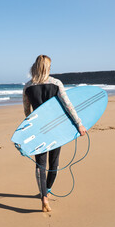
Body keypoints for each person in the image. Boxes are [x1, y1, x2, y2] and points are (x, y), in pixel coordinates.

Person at [23, 55, 87, 212]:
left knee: (40, 164)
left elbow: (27, 112)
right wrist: (79, 124)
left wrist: (29, 129)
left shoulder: (27, 87)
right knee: (54, 162)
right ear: (47, 67)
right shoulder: (56, 84)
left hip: (39, 129)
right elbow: (68, 106)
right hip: (56, 128)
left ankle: (43, 196)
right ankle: (48, 190)